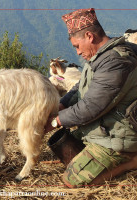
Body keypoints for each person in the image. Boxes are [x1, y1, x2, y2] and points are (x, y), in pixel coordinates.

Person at [45, 8, 137, 188]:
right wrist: (61, 106)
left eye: (77, 46)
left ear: (89, 36)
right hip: (105, 125)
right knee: (62, 147)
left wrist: (56, 121)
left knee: (72, 180)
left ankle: (131, 161)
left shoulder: (116, 62)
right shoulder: (101, 57)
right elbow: (81, 86)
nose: (78, 52)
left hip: (121, 135)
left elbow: (92, 106)